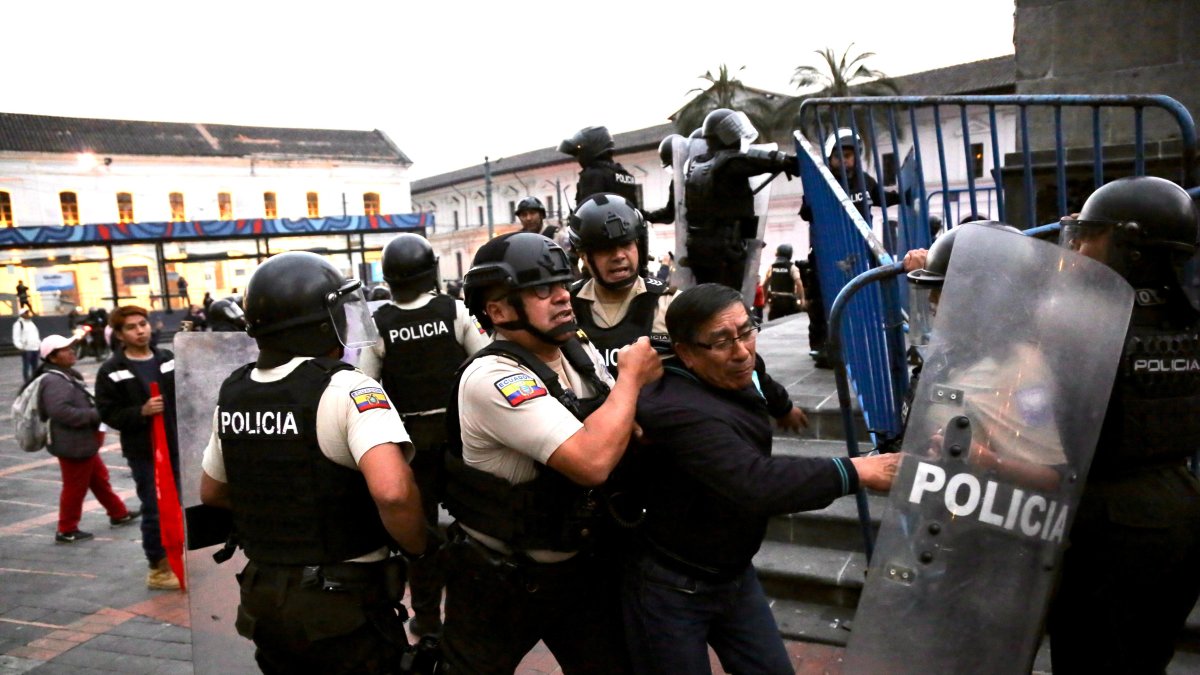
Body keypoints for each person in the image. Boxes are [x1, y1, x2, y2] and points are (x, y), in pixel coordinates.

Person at [624, 283, 899, 674]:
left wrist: (784, 408)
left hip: (733, 575)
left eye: (746, 331)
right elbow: (757, 483)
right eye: (721, 341)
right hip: (674, 586)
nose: (741, 352)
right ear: (685, 353)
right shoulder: (676, 409)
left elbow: (761, 378)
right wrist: (857, 470)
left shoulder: (736, 365)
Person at [441, 231, 662, 674]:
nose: (563, 297)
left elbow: (619, 428)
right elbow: (592, 461)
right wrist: (631, 381)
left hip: (579, 571)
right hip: (501, 581)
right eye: (541, 290)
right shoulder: (493, 377)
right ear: (499, 310)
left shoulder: (574, 350)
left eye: (562, 284)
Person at [198, 251, 429, 674]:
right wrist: (419, 548)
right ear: (319, 323)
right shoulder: (348, 389)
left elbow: (212, 491)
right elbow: (394, 493)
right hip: (341, 604)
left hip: (265, 595)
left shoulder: (234, 394)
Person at [1047, 176, 1200, 674]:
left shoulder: (1080, 324)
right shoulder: (1187, 320)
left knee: (1089, 654)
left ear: (1130, 248)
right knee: (1143, 654)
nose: (1080, 247)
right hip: (1179, 506)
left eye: (1093, 235)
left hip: (1103, 520)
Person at [358, 233, 490, 639]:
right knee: (476, 528)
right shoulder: (453, 310)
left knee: (419, 536)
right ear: (431, 270)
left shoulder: (379, 324)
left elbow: (365, 387)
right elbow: (486, 361)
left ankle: (429, 620)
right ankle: (476, 614)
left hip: (411, 448)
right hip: (460, 439)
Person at [95, 305, 182, 591]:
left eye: (142, 324)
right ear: (120, 335)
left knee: (179, 505)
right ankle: (158, 568)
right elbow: (107, 413)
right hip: (144, 451)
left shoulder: (167, 358)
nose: (140, 330)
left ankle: (179, 556)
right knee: (154, 507)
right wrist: (141, 411)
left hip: (176, 445)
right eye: (131, 327)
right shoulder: (112, 370)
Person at [799, 128, 901, 368]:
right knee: (821, 301)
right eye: (839, 155)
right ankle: (822, 346)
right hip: (826, 250)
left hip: (857, 253)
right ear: (829, 157)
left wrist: (905, 194)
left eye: (849, 155)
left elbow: (882, 198)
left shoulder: (866, 181)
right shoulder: (821, 180)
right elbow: (806, 212)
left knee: (857, 300)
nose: (844, 160)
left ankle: (851, 345)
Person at [33, 334, 140, 544]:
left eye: (72, 347)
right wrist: (95, 414)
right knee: (74, 488)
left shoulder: (64, 375)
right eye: (66, 349)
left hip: (82, 443)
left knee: (99, 479)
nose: (73, 351)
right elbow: (60, 411)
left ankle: (119, 513)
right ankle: (66, 529)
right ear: (53, 357)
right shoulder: (54, 380)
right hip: (73, 444)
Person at [681, 109, 798, 292]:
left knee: (708, 296)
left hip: (698, 246)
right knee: (728, 298)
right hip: (725, 248)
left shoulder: (696, 164)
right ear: (725, 135)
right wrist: (785, 160)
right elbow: (751, 159)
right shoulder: (728, 162)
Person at [568, 193, 672, 373]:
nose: (619, 256)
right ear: (584, 257)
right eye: (605, 249)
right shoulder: (567, 306)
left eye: (626, 244)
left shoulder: (669, 304)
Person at [558, 125, 640, 208]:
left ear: (590, 149)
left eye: (580, 152)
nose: (578, 157)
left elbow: (588, 212)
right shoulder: (624, 174)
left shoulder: (592, 175)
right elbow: (635, 211)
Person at [644, 134, 682, 226]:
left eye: (674, 164)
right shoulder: (677, 182)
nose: (674, 169)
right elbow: (669, 214)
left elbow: (669, 215)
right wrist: (646, 215)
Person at [765, 244, 805, 321]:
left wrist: (765, 298)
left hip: (775, 300)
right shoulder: (792, 267)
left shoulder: (772, 267)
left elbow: (765, 283)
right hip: (789, 301)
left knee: (773, 323)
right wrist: (802, 298)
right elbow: (799, 283)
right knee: (793, 321)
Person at [12, 307, 40, 383]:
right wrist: (20, 347)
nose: (28, 314)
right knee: (26, 367)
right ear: (21, 314)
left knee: (35, 367)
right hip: (26, 349)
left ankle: (35, 381)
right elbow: (16, 337)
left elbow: (36, 335)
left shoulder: (31, 323)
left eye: (28, 312)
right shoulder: (18, 324)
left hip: (35, 348)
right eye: (26, 312)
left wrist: (38, 344)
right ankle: (27, 382)